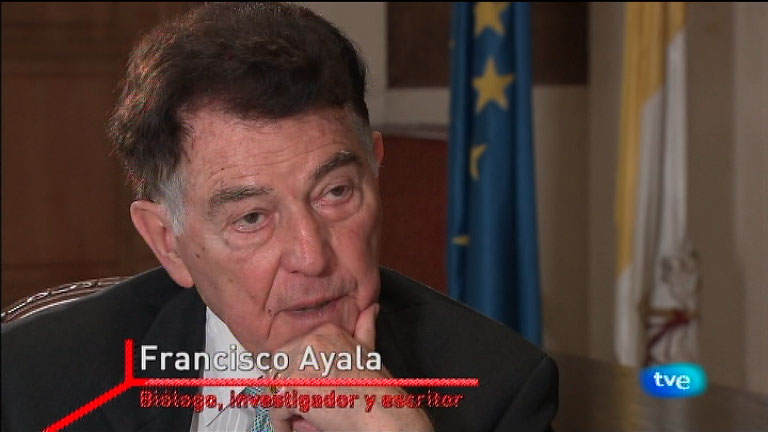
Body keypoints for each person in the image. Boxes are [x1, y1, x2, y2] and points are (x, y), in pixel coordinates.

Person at [1, 3, 558, 431]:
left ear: (375, 169)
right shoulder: (35, 379)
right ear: (168, 241)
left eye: (335, 192)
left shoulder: (497, 389)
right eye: (251, 218)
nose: (311, 257)